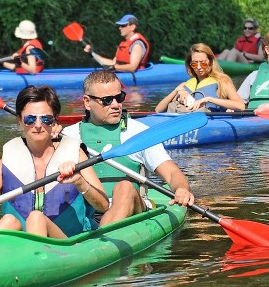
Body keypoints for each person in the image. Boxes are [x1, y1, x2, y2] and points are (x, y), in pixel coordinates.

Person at [0, 85, 109, 238]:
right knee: (9, 221)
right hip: (23, 249)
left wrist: (79, 181)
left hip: (67, 244)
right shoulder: (7, 161)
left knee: (36, 217)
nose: (38, 125)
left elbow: (103, 206)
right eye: (30, 119)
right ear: (20, 121)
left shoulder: (75, 154)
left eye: (46, 119)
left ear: (54, 121)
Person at [61, 70, 194, 226]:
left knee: (124, 188)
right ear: (87, 102)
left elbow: (171, 173)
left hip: (133, 209)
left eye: (119, 97)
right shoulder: (69, 135)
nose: (116, 105)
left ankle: (102, 242)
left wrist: (182, 189)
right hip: (87, 211)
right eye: (107, 100)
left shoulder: (138, 132)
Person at [154, 43, 245, 113]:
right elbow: (158, 110)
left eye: (203, 63)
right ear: (190, 65)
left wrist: (209, 99)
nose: (198, 67)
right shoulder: (184, 85)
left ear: (210, 62)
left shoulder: (223, 81)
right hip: (185, 120)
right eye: (194, 63)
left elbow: (241, 106)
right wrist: (177, 90)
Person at [85, 14, 150, 73]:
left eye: (123, 25)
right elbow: (113, 63)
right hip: (122, 73)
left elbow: (132, 68)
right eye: (120, 25)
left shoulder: (137, 45)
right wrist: (92, 54)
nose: (120, 28)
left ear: (132, 27)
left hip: (136, 76)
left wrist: (113, 67)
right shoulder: (123, 44)